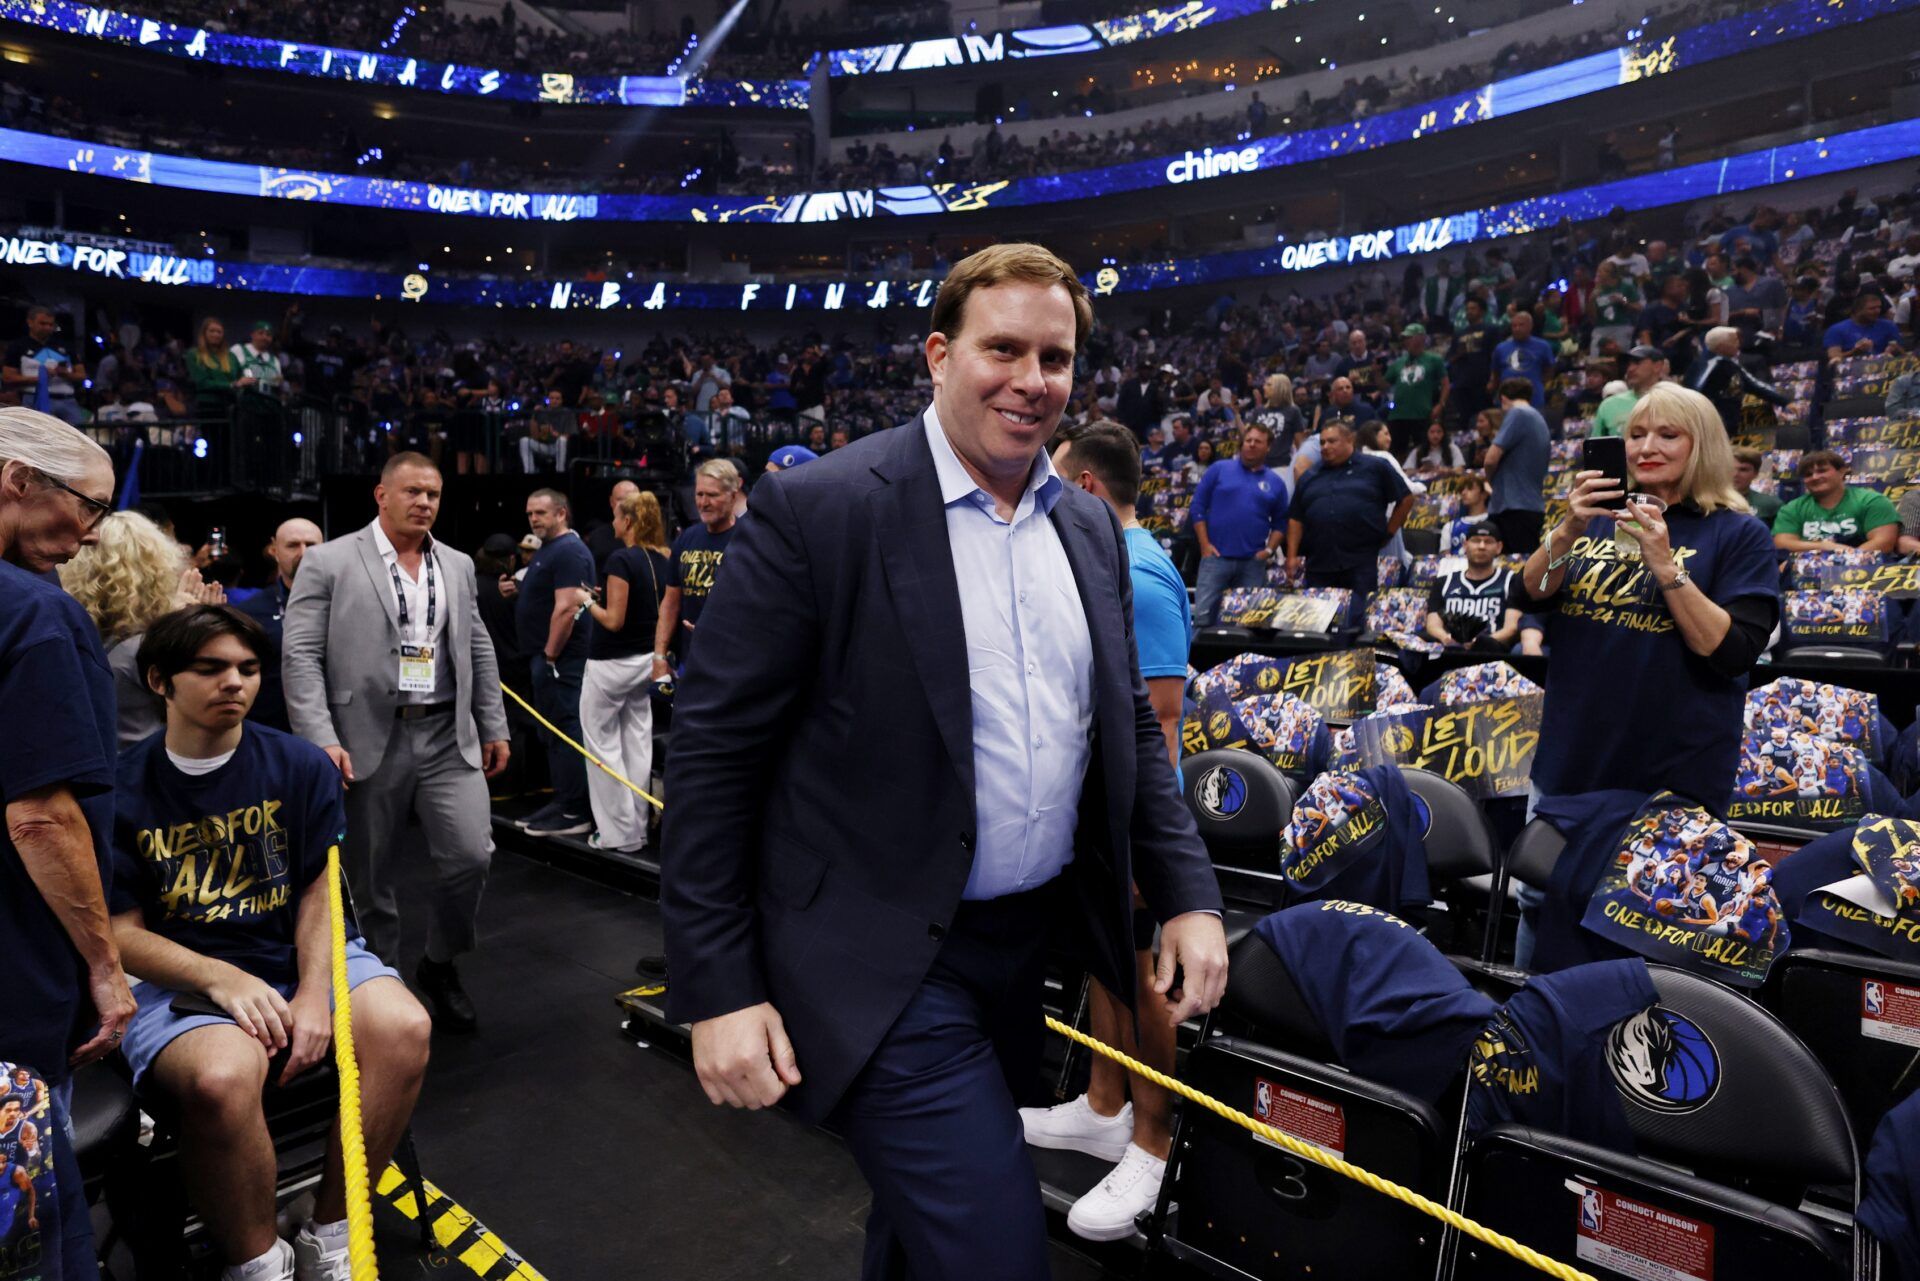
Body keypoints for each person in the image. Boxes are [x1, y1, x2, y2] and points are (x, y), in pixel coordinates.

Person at [659, 243, 1225, 1281]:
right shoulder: (823, 509)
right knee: (995, 1251)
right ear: (938, 354)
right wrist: (717, 987)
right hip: (877, 956)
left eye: (1053, 358)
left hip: (1021, 950)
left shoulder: (1091, 532)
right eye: (1001, 348)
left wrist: (1189, 893)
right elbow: (711, 753)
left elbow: (1129, 732)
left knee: (923, 1236)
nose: (1030, 380)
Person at [110, 605, 431, 1281]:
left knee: (403, 1026)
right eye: (212, 668)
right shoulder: (118, 789)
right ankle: (256, 1260)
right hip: (181, 976)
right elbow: (117, 934)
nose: (235, 682)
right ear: (160, 680)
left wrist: (315, 995)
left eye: (249, 669)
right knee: (223, 1077)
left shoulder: (298, 765)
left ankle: (332, 1228)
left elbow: (318, 891)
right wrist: (220, 977)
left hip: (294, 953)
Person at [1518, 384, 1778, 961]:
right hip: (1571, 761)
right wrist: (1565, 531)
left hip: (1672, 775)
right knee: (1539, 903)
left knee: (1645, 927)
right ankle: (1527, 1034)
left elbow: (1732, 650)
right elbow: (1530, 592)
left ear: (1702, 445)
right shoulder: (1593, 521)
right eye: (1636, 434)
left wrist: (1664, 564)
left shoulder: (1738, 534)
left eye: (1668, 434)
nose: (1646, 447)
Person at [283, 453, 510, 1032]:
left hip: (445, 733)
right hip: (362, 738)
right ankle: (382, 990)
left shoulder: (456, 564)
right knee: (368, 878)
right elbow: (300, 654)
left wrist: (494, 722)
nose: (424, 503)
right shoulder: (330, 560)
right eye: (412, 492)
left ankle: (439, 962)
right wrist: (319, 740)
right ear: (381, 495)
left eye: (433, 494)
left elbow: (477, 647)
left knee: (470, 856)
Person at [1032, 419, 1193, 1240]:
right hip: (1092, 810)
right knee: (1106, 957)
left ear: (1087, 487)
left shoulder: (1143, 570)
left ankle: (1153, 1140)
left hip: (1133, 819)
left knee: (1142, 973)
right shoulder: (1104, 557)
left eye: (1058, 480)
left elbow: (1159, 720)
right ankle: (1104, 1104)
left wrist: (1141, 850)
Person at [0, 408, 134, 1281]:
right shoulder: (36, 614)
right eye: (87, 505)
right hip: (15, 967)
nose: (90, 533)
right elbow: (41, 815)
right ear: (17, 479)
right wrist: (104, 963)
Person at [57, 510, 219, 746]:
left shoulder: (78, 635)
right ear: (158, 570)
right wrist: (201, 636)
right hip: (145, 769)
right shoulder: (148, 647)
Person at [580, 491, 671, 857]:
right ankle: (637, 830)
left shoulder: (620, 558)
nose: (613, 524)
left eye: (617, 518)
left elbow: (613, 621)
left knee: (601, 745)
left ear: (629, 521)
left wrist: (585, 602)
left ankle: (618, 834)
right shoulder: (664, 559)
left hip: (611, 664)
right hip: (646, 662)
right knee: (636, 742)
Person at [514, 487, 598, 839]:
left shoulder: (569, 551)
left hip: (560, 658)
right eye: (531, 513)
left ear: (561, 513)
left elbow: (567, 608)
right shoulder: (550, 550)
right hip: (546, 656)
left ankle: (574, 809)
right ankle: (564, 799)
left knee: (565, 730)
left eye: (541, 513)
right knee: (552, 732)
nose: (534, 519)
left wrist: (550, 655)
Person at [1285, 420, 1413, 600]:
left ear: (1350, 439)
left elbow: (1406, 498)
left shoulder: (1375, 467)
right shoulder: (1309, 476)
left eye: (1331, 441)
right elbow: (1295, 518)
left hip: (1360, 562)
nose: (1325, 446)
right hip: (1318, 563)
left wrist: (1389, 532)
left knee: (1357, 619)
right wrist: (1291, 556)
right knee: (1320, 621)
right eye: (1322, 442)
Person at [1189, 422, 1289, 625]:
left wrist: (1269, 551)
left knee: (1249, 622)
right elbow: (1197, 507)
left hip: (1252, 563)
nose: (1251, 444)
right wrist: (1204, 544)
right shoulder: (1219, 469)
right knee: (1203, 618)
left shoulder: (1276, 482)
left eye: (1257, 441)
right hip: (1215, 559)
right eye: (1248, 440)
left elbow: (1281, 523)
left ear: (1268, 447)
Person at [232, 518, 324, 733]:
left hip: (333, 730)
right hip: (269, 729)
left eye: (311, 545)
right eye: (293, 545)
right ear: (274, 551)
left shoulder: (345, 604)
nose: (304, 553)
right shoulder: (250, 611)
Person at [653, 459, 739, 682]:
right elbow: (671, 602)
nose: (704, 502)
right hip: (690, 663)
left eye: (712, 495)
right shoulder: (687, 538)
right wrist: (659, 656)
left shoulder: (748, 539)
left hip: (733, 665)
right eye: (699, 495)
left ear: (733, 495)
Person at [1771, 451, 1901, 552]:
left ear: (1842, 472)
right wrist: (1825, 547)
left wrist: (1846, 559)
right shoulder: (1792, 508)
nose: (1815, 477)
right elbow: (1782, 543)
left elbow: (1884, 543)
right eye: (1808, 474)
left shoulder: (1872, 501)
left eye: (1822, 471)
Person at [1425, 524, 1521, 651]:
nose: (1481, 546)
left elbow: (1511, 628)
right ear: (1465, 545)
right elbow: (1433, 625)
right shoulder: (1444, 582)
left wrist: (1479, 643)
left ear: (1499, 547)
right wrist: (1446, 638)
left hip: (1491, 651)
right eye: (1476, 541)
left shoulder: (1511, 580)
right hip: (1450, 650)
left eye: (1488, 542)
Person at [1485, 377, 1550, 553]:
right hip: (1529, 506)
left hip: (1512, 508)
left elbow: (1491, 458)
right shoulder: (1538, 418)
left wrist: (1490, 481)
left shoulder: (1518, 413)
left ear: (1503, 398)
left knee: (1514, 571)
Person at [1687, 327, 1789, 438]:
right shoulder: (1709, 365)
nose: (1739, 344)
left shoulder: (1728, 363)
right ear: (1721, 346)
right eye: (1735, 341)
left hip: (1730, 422)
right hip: (1712, 424)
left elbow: (1753, 385)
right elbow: (1694, 395)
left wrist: (1784, 401)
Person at [2, 307, 87, 427]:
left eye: (50, 324)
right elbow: (8, 377)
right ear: (30, 322)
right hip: (34, 397)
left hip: (67, 399)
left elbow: (82, 375)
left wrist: (65, 374)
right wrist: (40, 378)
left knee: (80, 435)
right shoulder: (18, 346)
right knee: (39, 437)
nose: (47, 327)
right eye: (42, 323)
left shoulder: (65, 346)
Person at [1383, 324, 1449, 458]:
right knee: (1396, 451)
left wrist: (1440, 405)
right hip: (1398, 414)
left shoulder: (1434, 360)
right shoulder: (1398, 362)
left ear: (1421, 338)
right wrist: (1376, 373)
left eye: (1409, 337)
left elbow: (1445, 384)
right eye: (1405, 338)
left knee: (1423, 449)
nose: (1405, 341)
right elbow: (1384, 386)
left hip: (1422, 413)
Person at [1589, 346, 1670, 438]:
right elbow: (1596, 447)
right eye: (1628, 364)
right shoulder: (1609, 405)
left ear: (1657, 366)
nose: (1630, 369)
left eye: (1637, 362)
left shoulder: (1678, 402)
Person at [1489, 310, 1555, 409]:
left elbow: (1550, 369)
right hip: (1507, 400)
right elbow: (1495, 372)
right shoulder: (1500, 348)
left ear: (1530, 326)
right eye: (1514, 326)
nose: (1517, 329)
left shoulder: (1543, 346)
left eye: (1521, 325)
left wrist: (1537, 382)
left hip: (1533, 399)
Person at [1824, 292, 1903, 363]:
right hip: (1852, 371)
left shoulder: (1888, 326)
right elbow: (1834, 358)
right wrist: (1854, 352)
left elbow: (1903, 353)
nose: (1877, 311)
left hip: (1883, 366)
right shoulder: (1837, 330)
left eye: (1879, 307)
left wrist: (1895, 350)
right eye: (1872, 309)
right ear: (1858, 310)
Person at [584, 479, 639, 573]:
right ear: (611, 501)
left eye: (630, 500)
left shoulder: (652, 537)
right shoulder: (597, 537)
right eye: (620, 500)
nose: (625, 505)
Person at [1730, 448, 1781, 527]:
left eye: (1743, 470)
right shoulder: (1709, 503)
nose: (1735, 475)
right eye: (1730, 469)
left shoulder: (1770, 504)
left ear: (1756, 474)